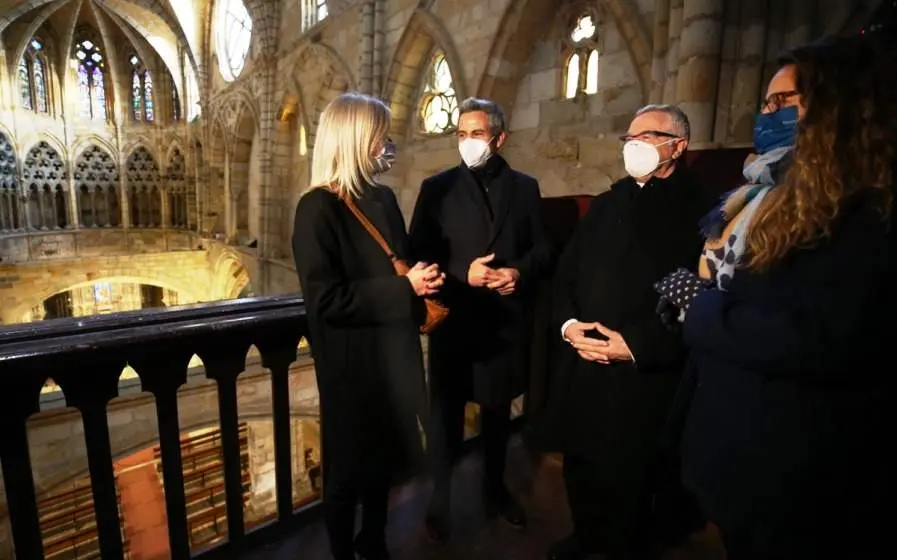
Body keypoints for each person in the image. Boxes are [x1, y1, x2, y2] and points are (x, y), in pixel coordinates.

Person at [656, 34, 897, 560]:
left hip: (794, 468)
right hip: (736, 446)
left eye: (782, 102)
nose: (766, 115)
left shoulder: (864, 209)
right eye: (764, 103)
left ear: (838, 108)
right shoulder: (759, 197)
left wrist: (699, 305)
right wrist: (691, 299)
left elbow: (820, 334)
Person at [542, 104, 711, 560]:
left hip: (642, 374)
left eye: (647, 136)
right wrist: (569, 325)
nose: (633, 145)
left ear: (678, 145)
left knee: (631, 481)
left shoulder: (702, 212)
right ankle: (586, 536)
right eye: (628, 138)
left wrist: (635, 344)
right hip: (585, 364)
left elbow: (699, 300)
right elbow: (566, 276)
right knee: (581, 466)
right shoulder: (607, 202)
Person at [292, 92, 444, 560]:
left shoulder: (382, 198)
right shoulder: (317, 208)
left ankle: (373, 540)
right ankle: (342, 551)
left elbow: (398, 262)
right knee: (345, 478)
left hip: (395, 359)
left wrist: (424, 277)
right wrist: (405, 290)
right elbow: (327, 301)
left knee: (382, 467)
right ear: (356, 139)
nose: (389, 144)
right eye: (381, 135)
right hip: (353, 370)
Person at [408, 97, 552, 542]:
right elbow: (417, 256)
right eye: (462, 134)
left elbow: (544, 249)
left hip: (504, 325)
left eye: (477, 133)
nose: (468, 142)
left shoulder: (525, 188)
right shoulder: (438, 188)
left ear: (499, 137)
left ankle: (494, 490)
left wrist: (518, 273)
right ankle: (440, 499)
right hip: (454, 323)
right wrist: (460, 275)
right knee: (446, 417)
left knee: (495, 417)